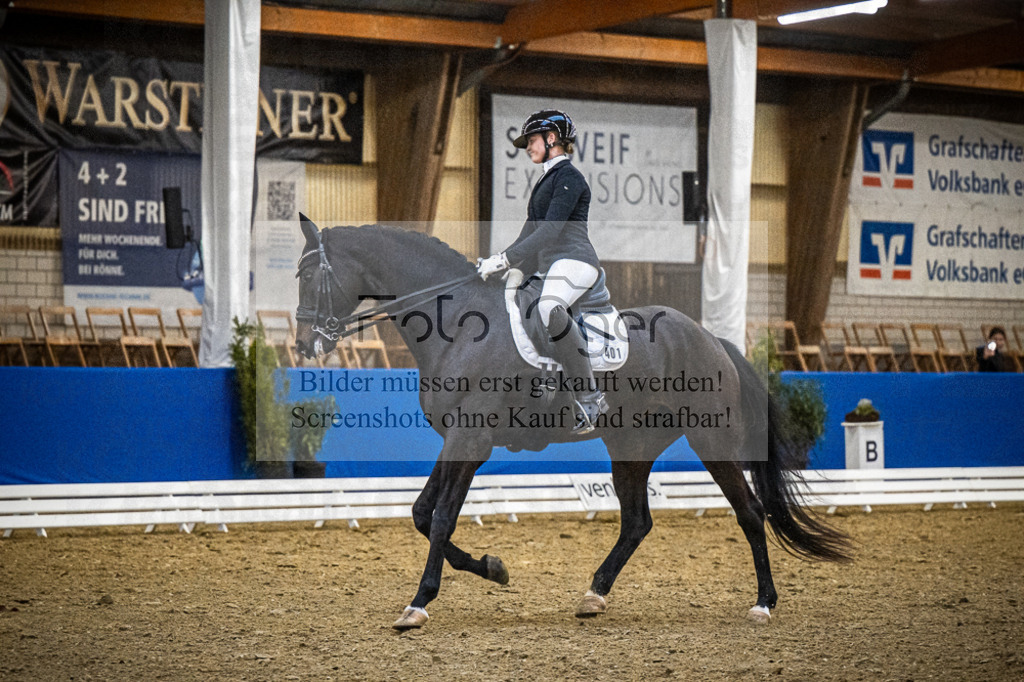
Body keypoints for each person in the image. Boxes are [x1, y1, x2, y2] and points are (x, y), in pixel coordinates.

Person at [477, 109, 608, 434]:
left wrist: (506, 259)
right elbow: (528, 235)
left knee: (549, 306)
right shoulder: (545, 181)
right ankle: (545, 376)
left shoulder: (570, 178)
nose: (527, 147)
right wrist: (500, 265)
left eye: (532, 140)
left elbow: (549, 232)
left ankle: (591, 397)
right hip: (550, 264)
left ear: (552, 139)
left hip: (576, 260)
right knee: (511, 301)